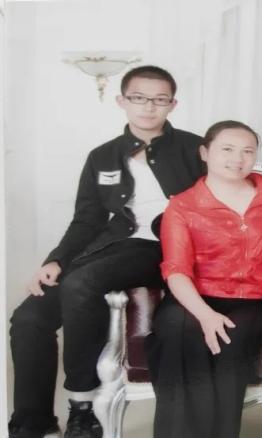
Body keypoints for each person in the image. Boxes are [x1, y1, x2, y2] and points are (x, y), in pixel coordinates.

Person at [8, 66, 204, 438]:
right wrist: (56, 260)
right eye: (139, 98)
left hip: (162, 248)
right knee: (29, 318)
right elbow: (87, 219)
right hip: (110, 248)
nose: (149, 107)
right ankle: (32, 423)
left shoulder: (197, 149)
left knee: (83, 281)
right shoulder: (103, 156)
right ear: (122, 101)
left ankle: (82, 408)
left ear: (173, 104)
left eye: (159, 99)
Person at [147, 120, 262, 438]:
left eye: (247, 151)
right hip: (194, 296)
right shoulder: (182, 205)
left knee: (229, 340)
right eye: (227, 149)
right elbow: (176, 270)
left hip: (252, 299)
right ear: (204, 152)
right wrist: (205, 314)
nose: (237, 159)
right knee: (178, 330)